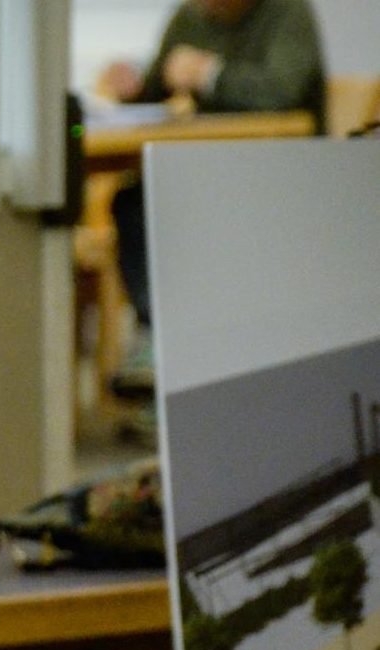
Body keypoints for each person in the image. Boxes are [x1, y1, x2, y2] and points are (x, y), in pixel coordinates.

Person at [97, 0, 325, 405]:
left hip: (274, 176)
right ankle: (160, 337)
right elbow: (156, 87)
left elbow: (281, 91)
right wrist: (132, 87)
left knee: (191, 211)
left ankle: (188, 356)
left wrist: (210, 74)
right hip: (200, 171)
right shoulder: (189, 18)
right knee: (135, 198)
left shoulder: (289, 15)